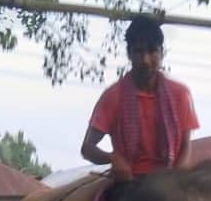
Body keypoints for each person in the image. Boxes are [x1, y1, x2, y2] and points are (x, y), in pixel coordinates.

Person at [80, 16, 199, 181]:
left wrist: (175, 180)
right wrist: (113, 158)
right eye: (139, 51)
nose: (145, 60)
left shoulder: (180, 94)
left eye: (152, 51)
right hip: (127, 183)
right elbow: (87, 148)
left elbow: (186, 148)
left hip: (171, 183)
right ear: (129, 53)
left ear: (162, 53)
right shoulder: (113, 96)